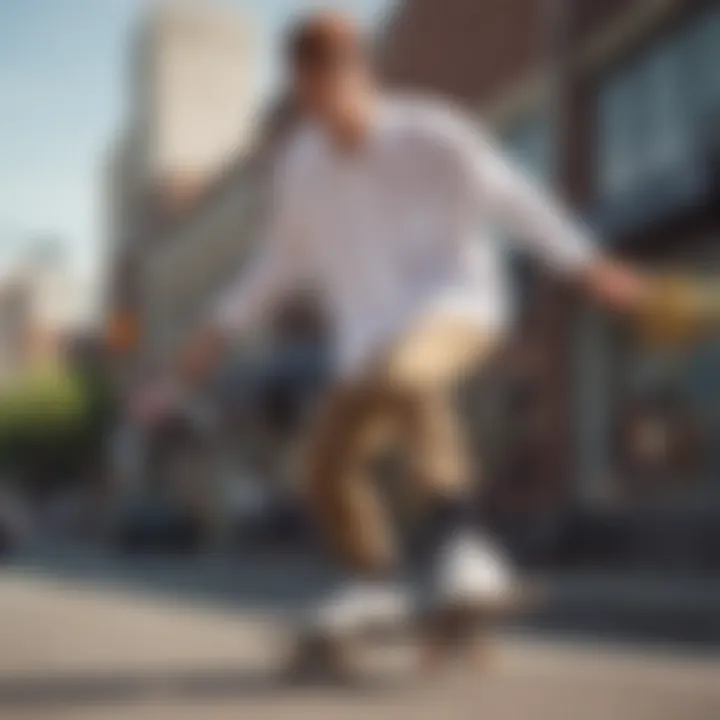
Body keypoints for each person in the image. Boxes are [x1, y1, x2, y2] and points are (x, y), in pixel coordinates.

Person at [135, 11, 647, 673]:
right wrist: (217, 328)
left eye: (339, 90)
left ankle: (467, 552)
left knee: (409, 375)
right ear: (302, 93)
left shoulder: (431, 133)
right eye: (315, 100)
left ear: (362, 72)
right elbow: (277, 265)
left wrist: (584, 263)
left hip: (456, 308)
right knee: (320, 466)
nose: (331, 113)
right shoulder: (302, 167)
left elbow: (516, 199)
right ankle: (375, 586)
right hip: (362, 345)